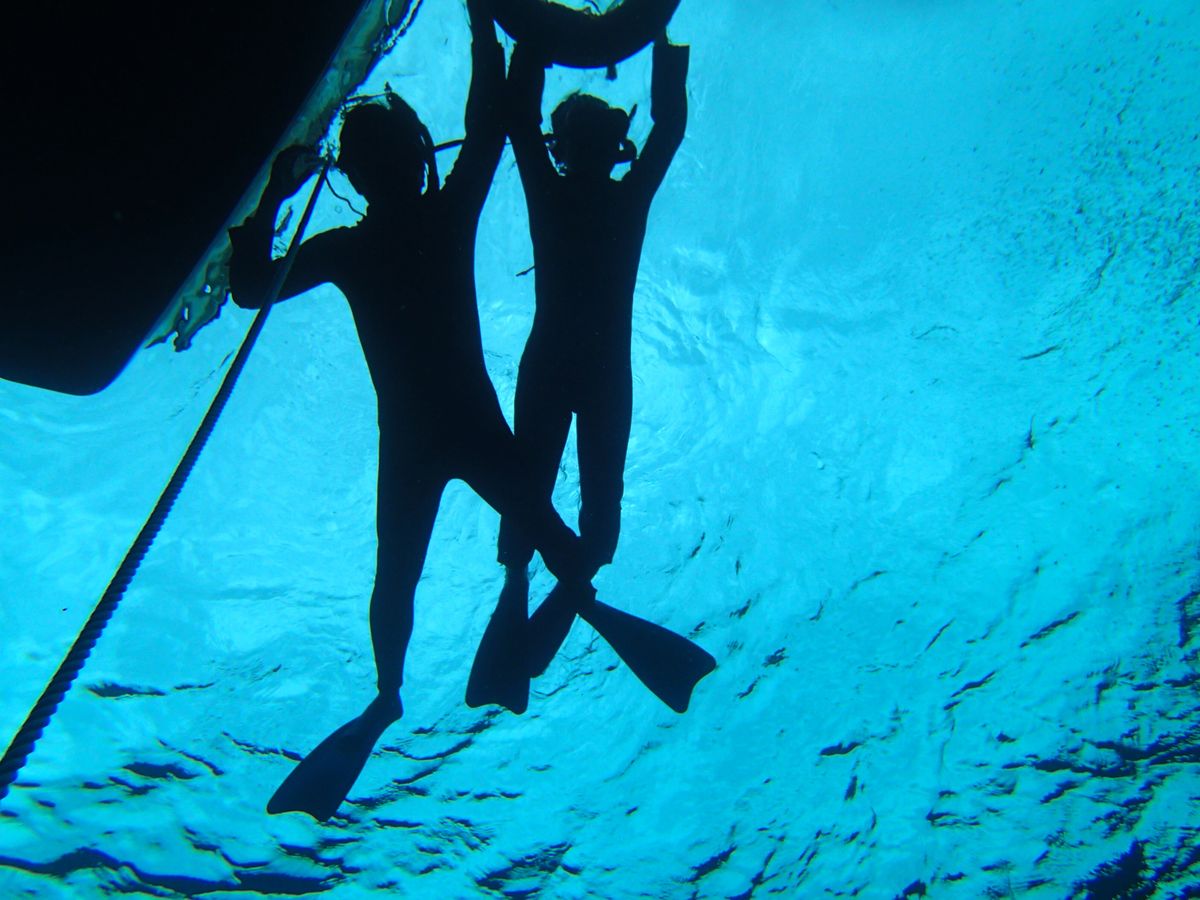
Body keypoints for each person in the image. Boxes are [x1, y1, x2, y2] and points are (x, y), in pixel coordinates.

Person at [227, 0, 591, 819]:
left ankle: (398, 689)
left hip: (421, 439)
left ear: (362, 173)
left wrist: (275, 196)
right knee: (539, 549)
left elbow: (251, 284)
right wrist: (487, 32)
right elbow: (488, 126)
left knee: (405, 571)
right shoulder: (430, 216)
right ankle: (516, 630)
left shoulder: (357, 245)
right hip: (462, 429)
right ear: (403, 158)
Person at [478, 34, 689, 677]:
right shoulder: (626, 198)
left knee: (533, 496)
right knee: (587, 514)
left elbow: (519, 122)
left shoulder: (553, 190)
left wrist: (530, 46)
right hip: (602, 372)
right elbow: (669, 128)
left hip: (556, 366)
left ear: (564, 147)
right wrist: (660, 41)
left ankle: (536, 586)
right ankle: (562, 588)